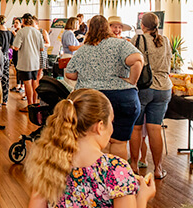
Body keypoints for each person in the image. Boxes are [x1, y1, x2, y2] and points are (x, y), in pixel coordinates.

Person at [26, 88, 155, 208]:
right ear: (99, 126)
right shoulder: (116, 169)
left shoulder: (50, 164)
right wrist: (143, 196)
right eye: (111, 122)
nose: (112, 129)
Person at [65, 15, 144, 160]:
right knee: (119, 142)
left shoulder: (83, 49)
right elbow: (137, 61)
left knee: (96, 143)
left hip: (92, 100)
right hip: (123, 98)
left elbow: (69, 74)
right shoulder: (121, 44)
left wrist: (85, 75)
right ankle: (118, 178)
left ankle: (99, 178)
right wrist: (131, 81)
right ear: (107, 28)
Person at [129, 12, 172, 179]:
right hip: (163, 88)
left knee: (137, 128)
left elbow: (130, 62)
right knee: (155, 128)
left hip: (143, 88)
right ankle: (158, 169)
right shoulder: (166, 40)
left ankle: (133, 166)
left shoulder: (138, 39)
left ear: (142, 25)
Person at [12, 13, 45, 111]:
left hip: (25, 62)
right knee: (34, 82)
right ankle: (35, 103)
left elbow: (16, 47)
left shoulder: (21, 32)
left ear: (23, 21)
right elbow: (42, 48)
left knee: (27, 84)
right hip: (35, 61)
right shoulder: (37, 32)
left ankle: (30, 105)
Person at [0, 15, 14, 105]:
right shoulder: (9, 33)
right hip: (7, 55)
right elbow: (12, 45)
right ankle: (5, 99)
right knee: (6, 78)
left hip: (0, 56)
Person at [33, 16, 50, 84]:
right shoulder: (31, 32)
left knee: (38, 74)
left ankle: (38, 89)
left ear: (36, 23)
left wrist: (40, 45)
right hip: (33, 54)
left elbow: (48, 43)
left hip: (41, 54)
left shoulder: (43, 31)